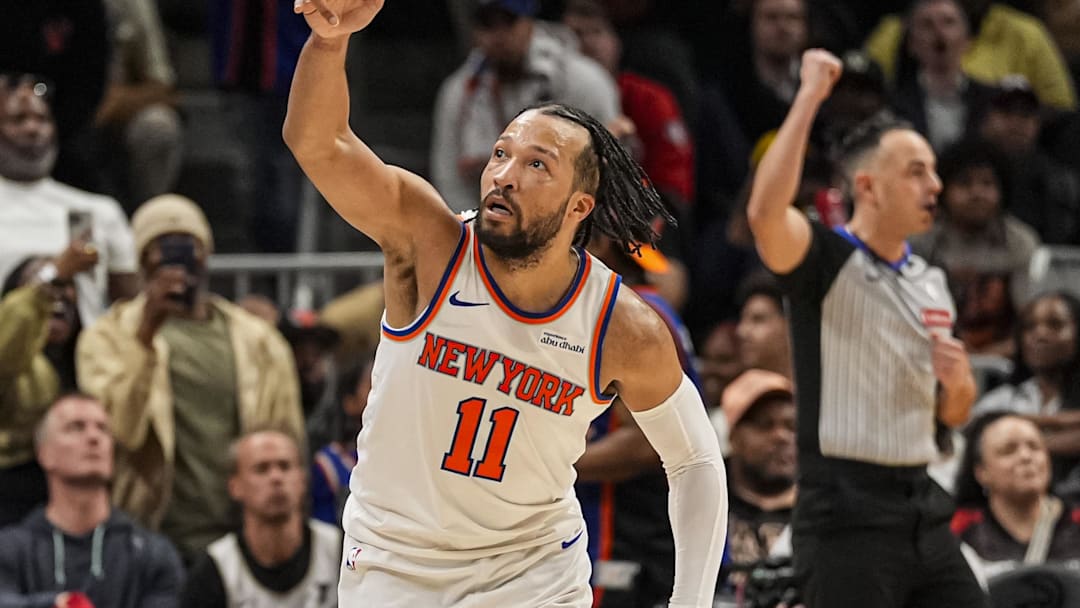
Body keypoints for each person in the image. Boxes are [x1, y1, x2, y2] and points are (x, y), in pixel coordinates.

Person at [285, 2, 728, 606]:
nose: (504, 175)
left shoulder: (621, 324)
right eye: (500, 154)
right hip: (396, 564)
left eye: (536, 164)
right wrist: (328, 41)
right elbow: (319, 143)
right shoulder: (429, 241)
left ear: (579, 207)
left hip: (533, 576)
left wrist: (693, 601)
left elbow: (697, 459)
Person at [746, 48, 985, 607]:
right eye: (916, 171)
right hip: (845, 513)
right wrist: (809, 95)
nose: (935, 185)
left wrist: (960, 385)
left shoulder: (933, 280)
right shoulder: (825, 260)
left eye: (933, 170)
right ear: (869, 186)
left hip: (922, 505)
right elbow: (763, 213)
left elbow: (952, 414)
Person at [76, 194, 305, 563]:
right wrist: (145, 333)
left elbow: (287, 438)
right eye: (159, 248)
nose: (175, 258)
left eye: (188, 246)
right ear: (141, 260)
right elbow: (118, 433)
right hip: (149, 537)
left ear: (206, 254)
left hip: (244, 538)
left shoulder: (259, 340)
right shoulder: (106, 337)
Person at [429, 0, 621, 212]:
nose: (499, 35)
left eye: (509, 21)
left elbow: (607, 170)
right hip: (487, 225)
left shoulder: (583, 81)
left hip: (570, 221)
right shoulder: (459, 92)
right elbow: (449, 178)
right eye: (487, 24)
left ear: (530, 22)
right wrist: (476, 232)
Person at [0, 393, 183, 608]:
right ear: (44, 452)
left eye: (103, 429)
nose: (94, 437)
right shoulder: (10, 549)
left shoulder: (152, 553)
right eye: (76, 427)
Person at [0, 76, 138, 326]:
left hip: (85, 357)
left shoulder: (99, 210)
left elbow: (130, 310)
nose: (32, 129)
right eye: (18, 119)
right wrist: (57, 271)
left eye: (42, 119)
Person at [181, 429, 341, 608]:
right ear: (235, 486)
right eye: (261, 469)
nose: (276, 477)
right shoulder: (214, 570)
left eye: (285, 466)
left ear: (303, 479)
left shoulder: (340, 550)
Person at [0, 252, 93, 527]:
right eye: (46, 288)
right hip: (10, 504)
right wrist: (51, 275)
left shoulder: (91, 360)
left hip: (77, 511)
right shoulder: (11, 361)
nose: (57, 297)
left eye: (66, 288)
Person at [952, 412, 1080, 584]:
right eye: (1008, 450)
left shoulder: (1076, 520)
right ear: (981, 472)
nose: (1026, 457)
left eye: (1035, 447)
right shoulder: (957, 529)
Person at [971, 291, 1080, 480]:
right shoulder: (1003, 399)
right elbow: (978, 427)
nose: (1040, 334)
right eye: (1029, 327)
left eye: (1055, 324)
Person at [718, 369, 797, 592]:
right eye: (765, 424)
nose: (781, 437)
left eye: (792, 426)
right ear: (734, 436)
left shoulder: (820, 510)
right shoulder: (704, 502)